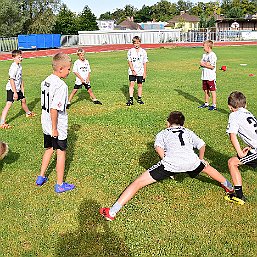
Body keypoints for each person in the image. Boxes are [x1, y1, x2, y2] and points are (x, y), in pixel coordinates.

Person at [100, 111, 234, 221]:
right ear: (183, 124)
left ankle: (112, 212)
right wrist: (201, 159)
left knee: (138, 183)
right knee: (208, 169)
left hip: (170, 164)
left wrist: (166, 161)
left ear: (168, 123)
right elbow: (202, 145)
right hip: (192, 161)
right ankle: (229, 187)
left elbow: (158, 148)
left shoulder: (163, 133)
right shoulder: (187, 131)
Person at [36, 53, 75, 193]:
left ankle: (41, 177)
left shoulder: (46, 81)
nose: (69, 71)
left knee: (49, 148)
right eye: (68, 69)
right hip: (56, 125)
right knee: (61, 151)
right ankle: (59, 184)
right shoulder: (61, 86)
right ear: (60, 69)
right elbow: (54, 108)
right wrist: (55, 129)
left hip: (45, 122)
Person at [225, 91, 257, 205]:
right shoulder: (248, 113)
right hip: (254, 148)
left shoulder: (234, 115)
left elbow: (232, 135)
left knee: (232, 163)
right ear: (246, 104)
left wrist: (240, 152)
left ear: (230, 107)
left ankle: (239, 196)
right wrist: (250, 146)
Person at [0, 50, 36, 129]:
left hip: (17, 89)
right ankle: (2, 123)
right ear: (13, 58)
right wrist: (15, 92)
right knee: (9, 104)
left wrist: (22, 89)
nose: (21, 58)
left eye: (21, 57)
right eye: (19, 57)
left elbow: (20, 78)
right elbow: (12, 80)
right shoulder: (13, 67)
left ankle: (28, 113)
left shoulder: (19, 66)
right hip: (12, 89)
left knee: (23, 100)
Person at [126, 36, 148, 106]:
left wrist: (144, 72)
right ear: (133, 43)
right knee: (132, 84)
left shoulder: (143, 51)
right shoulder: (130, 51)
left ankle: (139, 98)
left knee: (140, 85)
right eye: (135, 43)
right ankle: (131, 99)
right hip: (132, 71)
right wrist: (132, 70)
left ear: (140, 43)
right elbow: (129, 61)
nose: (136, 44)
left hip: (140, 71)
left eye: (138, 43)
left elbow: (145, 62)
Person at [198, 40, 217, 111]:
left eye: (204, 46)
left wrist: (204, 64)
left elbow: (212, 66)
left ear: (208, 47)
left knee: (212, 90)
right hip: (204, 76)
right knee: (205, 90)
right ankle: (206, 103)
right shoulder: (204, 55)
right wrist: (206, 64)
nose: (203, 47)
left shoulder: (213, 55)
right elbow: (201, 63)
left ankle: (214, 105)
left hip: (210, 77)